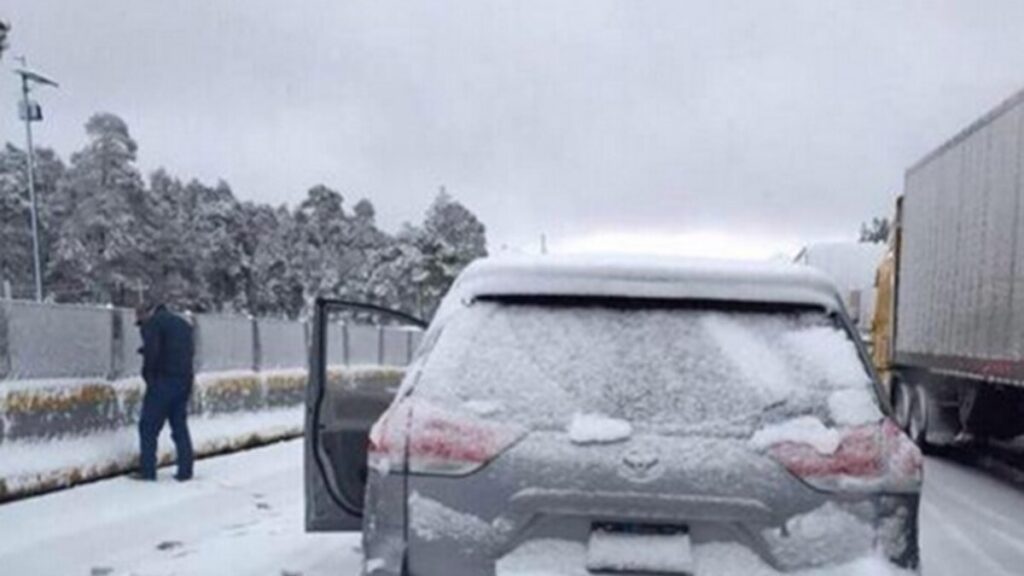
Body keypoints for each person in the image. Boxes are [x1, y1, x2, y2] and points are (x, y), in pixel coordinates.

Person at [132, 302, 195, 481]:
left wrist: (148, 377)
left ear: (145, 314)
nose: (140, 326)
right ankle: (185, 471)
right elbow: (182, 350)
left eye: (139, 321)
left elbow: (153, 352)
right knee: (179, 426)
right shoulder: (182, 324)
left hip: (163, 381)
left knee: (148, 427)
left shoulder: (153, 323)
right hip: (184, 379)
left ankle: (148, 471)